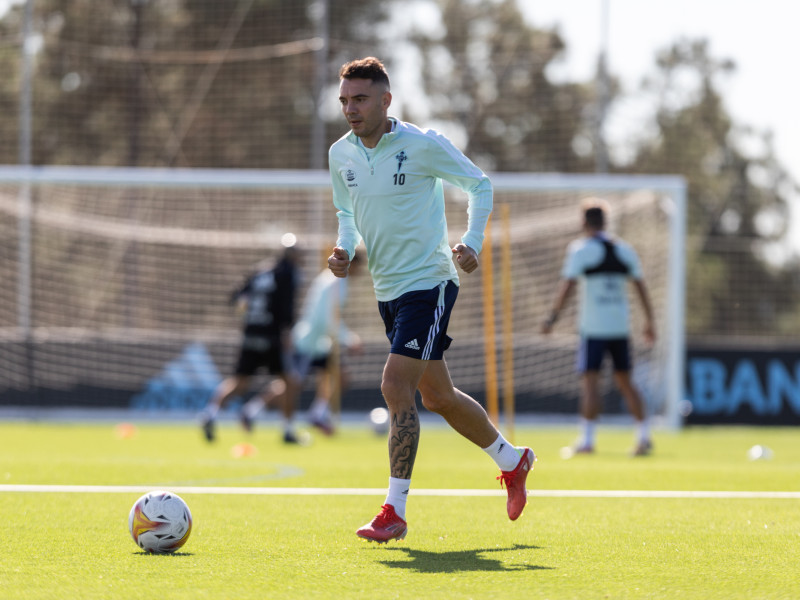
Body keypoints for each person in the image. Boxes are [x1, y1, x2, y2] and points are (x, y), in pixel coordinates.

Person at [327, 57, 535, 543]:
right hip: (388, 290)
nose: (350, 109)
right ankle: (513, 459)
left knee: (395, 386)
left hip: (431, 280)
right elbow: (345, 212)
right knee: (437, 396)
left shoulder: (422, 145)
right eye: (344, 101)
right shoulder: (341, 154)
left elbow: (478, 185)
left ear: (385, 100)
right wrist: (343, 249)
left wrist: (473, 242)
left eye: (359, 99)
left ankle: (393, 511)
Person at [540, 198, 656, 457]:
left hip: (593, 330)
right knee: (626, 382)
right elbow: (641, 287)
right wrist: (650, 321)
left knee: (590, 383)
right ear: (606, 222)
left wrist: (552, 318)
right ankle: (644, 436)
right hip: (619, 329)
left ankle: (588, 441)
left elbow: (567, 286)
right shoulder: (625, 249)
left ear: (584, 222)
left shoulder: (580, 250)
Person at [239, 252, 364, 436]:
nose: (360, 271)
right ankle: (252, 411)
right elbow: (325, 319)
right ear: (351, 264)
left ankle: (317, 414)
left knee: (339, 375)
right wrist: (349, 339)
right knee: (292, 385)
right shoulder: (335, 282)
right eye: (359, 266)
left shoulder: (333, 279)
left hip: (320, 343)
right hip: (308, 342)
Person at [199, 233, 304, 444]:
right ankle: (287, 430)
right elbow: (287, 306)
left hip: (251, 334)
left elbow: (237, 298)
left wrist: (249, 318)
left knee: (239, 381)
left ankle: (209, 414)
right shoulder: (288, 273)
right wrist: (288, 331)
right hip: (272, 337)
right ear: (294, 254)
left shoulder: (260, 271)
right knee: (290, 381)